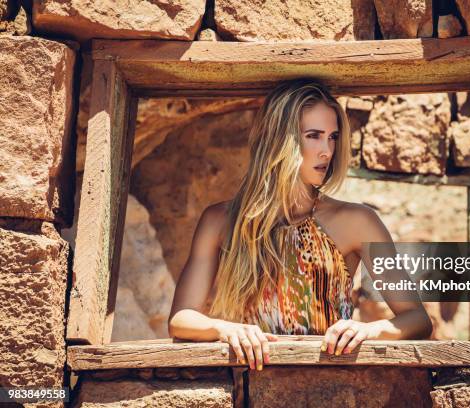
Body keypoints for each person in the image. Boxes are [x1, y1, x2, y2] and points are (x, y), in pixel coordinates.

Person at [168, 78, 433, 371]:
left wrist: (369, 330)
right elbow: (181, 319)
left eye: (332, 137)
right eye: (314, 135)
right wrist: (226, 329)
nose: (327, 150)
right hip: (245, 385)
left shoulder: (358, 221)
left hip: (331, 385)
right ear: (279, 140)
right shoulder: (219, 220)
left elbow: (417, 319)